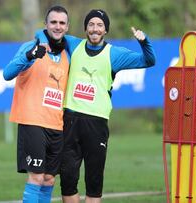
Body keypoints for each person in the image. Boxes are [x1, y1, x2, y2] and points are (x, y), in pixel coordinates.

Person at [35, 9, 156, 203]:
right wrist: (41, 40)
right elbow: (46, 32)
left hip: (96, 124)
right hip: (70, 121)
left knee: (93, 182)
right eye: (91, 24)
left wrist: (144, 41)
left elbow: (149, 60)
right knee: (68, 180)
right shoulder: (74, 45)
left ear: (105, 30)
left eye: (100, 25)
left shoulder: (114, 54)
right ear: (85, 29)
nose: (95, 29)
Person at [3, 5, 70, 203]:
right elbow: (7, 73)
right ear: (46, 25)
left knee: (49, 180)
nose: (57, 26)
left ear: (67, 27)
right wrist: (29, 56)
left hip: (56, 124)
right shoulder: (30, 46)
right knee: (37, 176)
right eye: (53, 22)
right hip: (33, 121)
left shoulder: (68, 53)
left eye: (61, 23)